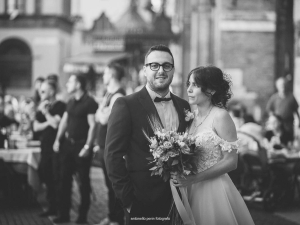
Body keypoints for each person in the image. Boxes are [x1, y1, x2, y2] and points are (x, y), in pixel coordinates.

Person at [105, 44, 190, 225]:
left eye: (166, 65)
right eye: (154, 65)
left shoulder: (185, 107)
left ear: (173, 70)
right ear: (145, 70)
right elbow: (112, 155)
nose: (161, 70)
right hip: (142, 203)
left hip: (180, 202)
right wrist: (128, 201)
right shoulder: (126, 105)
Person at [171, 66, 254, 225]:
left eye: (194, 85)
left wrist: (195, 178)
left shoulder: (221, 116)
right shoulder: (190, 117)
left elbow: (231, 161)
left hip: (214, 190)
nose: (188, 89)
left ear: (211, 90)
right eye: (188, 84)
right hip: (190, 188)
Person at [52, 74, 98, 224]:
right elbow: (64, 122)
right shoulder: (70, 101)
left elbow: (93, 125)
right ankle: (63, 215)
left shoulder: (90, 102)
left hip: (81, 147)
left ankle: (82, 218)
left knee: (83, 183)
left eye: (70, 81)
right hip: (68, 146)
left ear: (78, 84)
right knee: (63, 181)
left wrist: (87, 146)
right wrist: (58, 140)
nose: (67, 85)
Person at [95, 62, 126, 225]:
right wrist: (101, 112)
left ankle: (118, 219)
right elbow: (97, 115)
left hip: (112, 148)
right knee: (108, 184)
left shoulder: (118, 95)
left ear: (112, 75)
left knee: (115, 184)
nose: (103, 76)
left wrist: (101, 112)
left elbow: (103, 118)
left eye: (105, 73)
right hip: (103, 146)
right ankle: (111, 216)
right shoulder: (109, 94)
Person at [33, 79, 66, 217]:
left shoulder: (59, 105)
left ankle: (58, 208)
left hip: (56, 147)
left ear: (51, 92)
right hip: (44, 147)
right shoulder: (41, 106)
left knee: (55, 177)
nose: (40, 93)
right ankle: (51, 205)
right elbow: (35, 127)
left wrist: (46, 114)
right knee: (43, 173)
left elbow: (56, 124)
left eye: (43, 91)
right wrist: (48, 120)